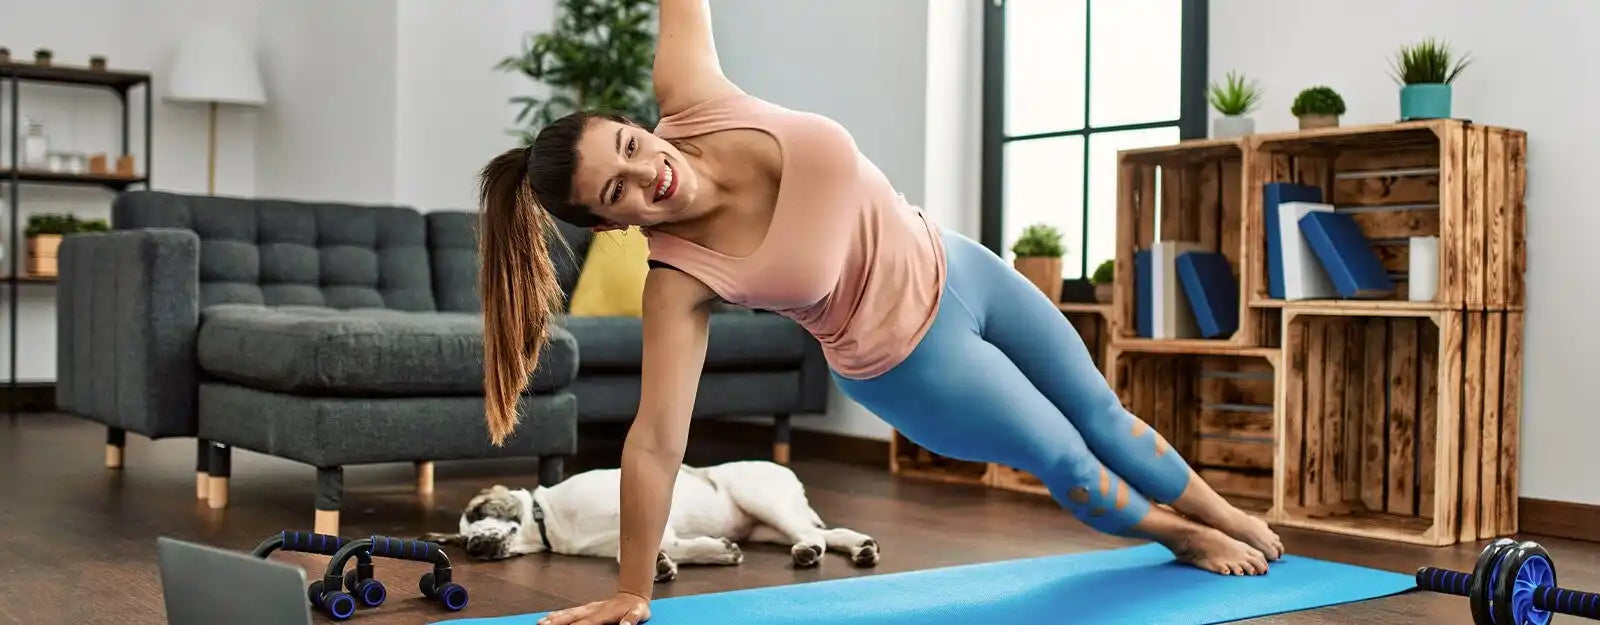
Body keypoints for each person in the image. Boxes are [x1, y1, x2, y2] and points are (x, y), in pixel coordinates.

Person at [477, 2, 1284, 624]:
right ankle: (1179, 534)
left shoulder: (692, 96)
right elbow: (655, 440)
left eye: (626, 145)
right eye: (615, 192)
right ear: (613, 224)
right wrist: (629, 586)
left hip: (959, 262)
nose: (644, 171)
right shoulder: (678, 280)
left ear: (630, 124)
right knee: (1068, 460)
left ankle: (1221, 511)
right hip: (906, 361)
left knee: (1102, 412)